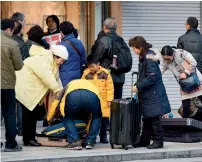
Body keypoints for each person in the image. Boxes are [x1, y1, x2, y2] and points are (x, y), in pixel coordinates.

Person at [15, 26, 68, 146]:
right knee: (29, 115)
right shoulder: (44, 60)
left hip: (30, 89)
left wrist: (62, 91)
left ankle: (29, 138)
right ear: (56, 56)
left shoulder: (51, 62)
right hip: (25, 88)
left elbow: (55, 78)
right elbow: (46, 77)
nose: (62, 62)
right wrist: (58, 90)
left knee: (31, 115)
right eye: (62, 60)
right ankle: (29, 139)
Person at [129, 36, 171, 149]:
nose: (134, 51)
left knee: (154, 118)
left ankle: (158, 141)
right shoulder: (146, 57)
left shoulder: (148, 59)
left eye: (134, 48)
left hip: (153, 93)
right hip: (149, 93)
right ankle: (144, 140)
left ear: (140, 47)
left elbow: (152, 77)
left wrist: (138, 86)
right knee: (147, 117)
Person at [47, 79, 102, 150]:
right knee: (96, 117)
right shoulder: (92, 85)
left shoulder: (69, 85)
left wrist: (49, 118)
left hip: (73, 97)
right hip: (92, 96)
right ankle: (90, 142)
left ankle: (74, 141)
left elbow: (56, 102)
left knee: (68, 118)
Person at [91, 18, 132, 99]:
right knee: (116, 103)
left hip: (105, 78)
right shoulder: (121, 40)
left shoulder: (104, 40)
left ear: (104, 27)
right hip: (120, 78)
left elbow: (95, 59)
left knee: (105, 103)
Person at [1, 19, 24, 152]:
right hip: (6, 84)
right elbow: (19, 65)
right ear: (9, 30)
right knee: (9, 113)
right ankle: (10, 144)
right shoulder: (12, 44)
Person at [160, 46, 202, 118]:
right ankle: (186, 127)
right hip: (185, 85)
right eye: (164, 58)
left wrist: (186, 73)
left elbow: (193, 62)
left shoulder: (181, 53)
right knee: (185, 107)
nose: (166, 60)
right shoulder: (165, 62)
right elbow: (160, 71)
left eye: (168, 58)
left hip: (196, 81)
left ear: (173, 54)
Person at [82, 55, 114, 144]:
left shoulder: (105, 73)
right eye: (89, 67)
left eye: (92, 66)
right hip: (91, 101)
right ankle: (92, 137)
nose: (91, 68)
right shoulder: (86, 74)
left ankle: (103, 136)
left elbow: (110, 88)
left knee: (104, 120)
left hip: (104, 101)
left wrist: (109, 100)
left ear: (98, 64)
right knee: (91, 120)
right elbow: (82, 86)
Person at [12, 21, 30, 136]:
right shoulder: (22, 44)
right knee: (19, 102)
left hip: (5, 76)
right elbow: (25, 62)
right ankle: (21, 128)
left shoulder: (4, 42)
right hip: (19, 75)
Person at [59, 21, 86, 87]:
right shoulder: (79, 42)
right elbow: (83, 59)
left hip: (64, 77)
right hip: (77, 76)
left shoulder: (61, 45)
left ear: (62, 33)